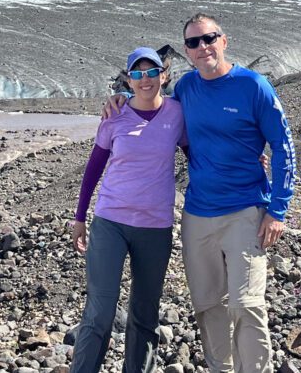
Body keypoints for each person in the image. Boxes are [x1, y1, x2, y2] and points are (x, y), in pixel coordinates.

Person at [107, 13, 296, 373]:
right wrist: (118, 97)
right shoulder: (187, 89)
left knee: (247, 304)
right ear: (187, 52)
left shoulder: (254, 86)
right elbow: (152, 102)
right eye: (193, 42)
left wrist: (279, 210)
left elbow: (283, 147)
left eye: (209, 38)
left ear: (224, 41)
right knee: (208, 304)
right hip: (197, 214)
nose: (202, 47)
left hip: (247, 210)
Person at [69, 47, 186, 373]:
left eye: (152, 72)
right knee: (99, 311)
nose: (145, 79)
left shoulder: (177, 114)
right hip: (111, 222)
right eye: (137, 74)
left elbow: (200, 155)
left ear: (164, 75)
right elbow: (93, 168)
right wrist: (80, 218)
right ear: (129, 80)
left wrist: (248, 164)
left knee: (145, 313)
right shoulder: (114, 115)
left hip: (155, 226)